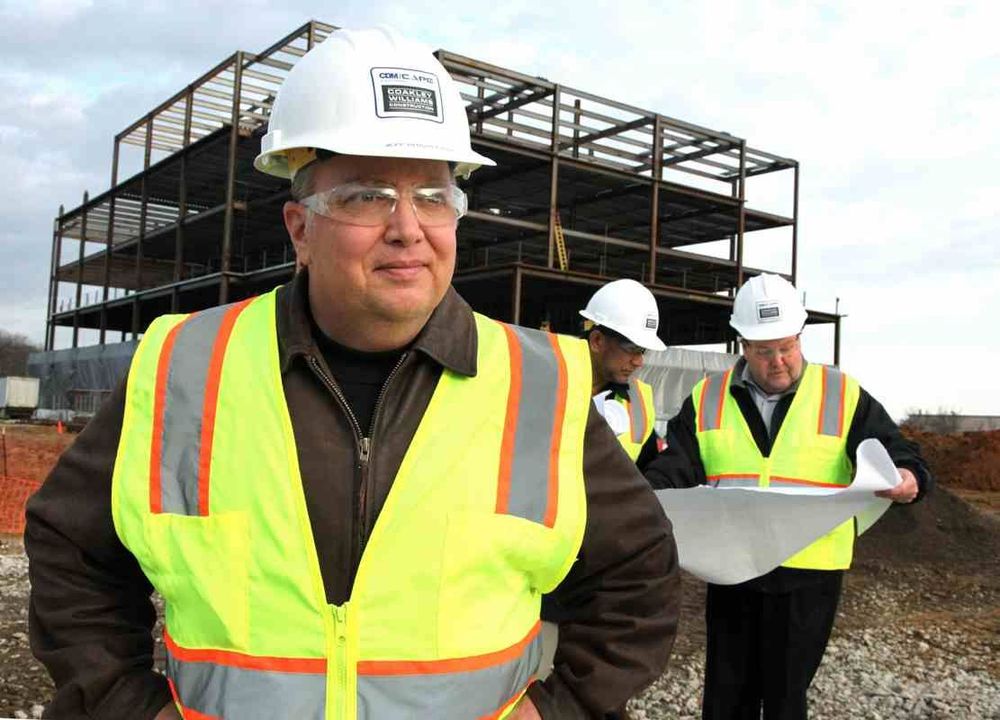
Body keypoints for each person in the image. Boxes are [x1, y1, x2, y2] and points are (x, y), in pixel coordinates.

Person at [26, 27, 680, 720]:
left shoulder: (537, 386)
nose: (408, 227)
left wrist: (559, 711)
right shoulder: (184, 367)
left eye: (433, 196)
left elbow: (636, 572)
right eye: (367, 196)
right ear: (299, 228)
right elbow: (73, 552)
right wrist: (129, 706)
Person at [644, 273, 932, 720]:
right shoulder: (707, 397)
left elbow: (899, 451)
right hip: (733, 567)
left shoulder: (840, 393)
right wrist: (646, 496)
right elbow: (678, 464)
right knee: (726, 695)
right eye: (763, 351)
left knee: (785, 697)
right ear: (742, 345)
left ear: (800, 337)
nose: (777, 361)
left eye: (786, 347)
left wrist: (910, 477)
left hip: (808, 573)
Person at [579, 279, 665, 471]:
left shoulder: (639, 402)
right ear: (597, 341)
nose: (639, 361)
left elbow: (650, 473)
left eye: (642, 351)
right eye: (631, 349)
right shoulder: (551, 384)